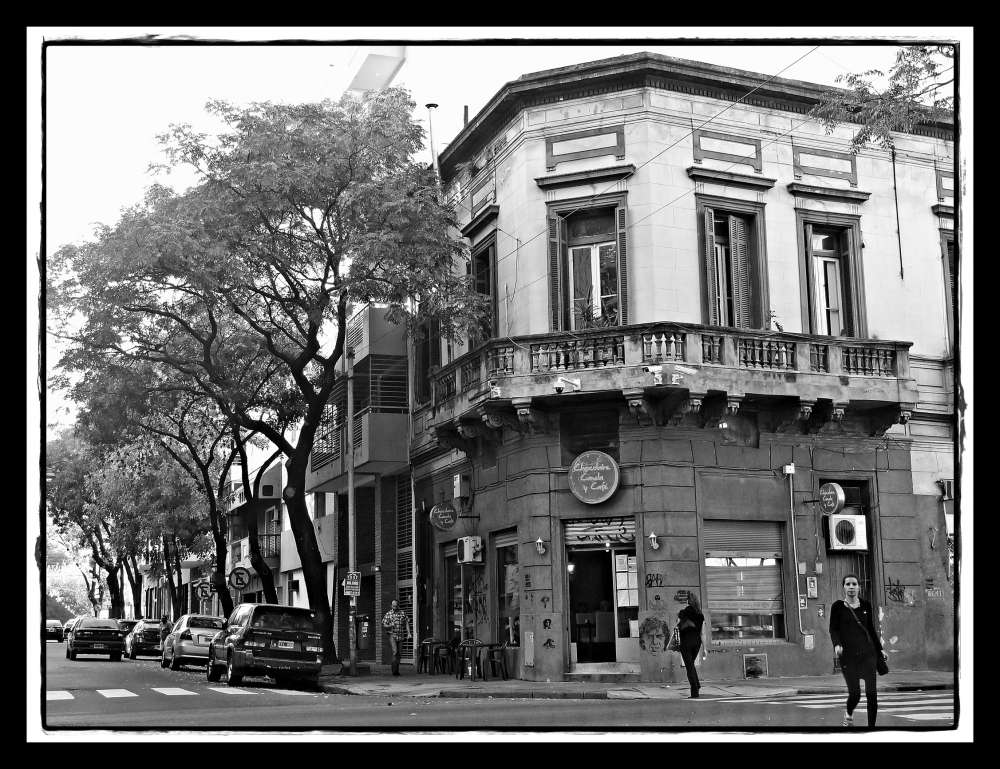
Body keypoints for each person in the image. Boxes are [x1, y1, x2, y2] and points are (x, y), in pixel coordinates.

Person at [830, 573, 888, 728]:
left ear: (859, 587)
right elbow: (833, 629)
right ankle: (849, 713)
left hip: (868, 653)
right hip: (848, 656)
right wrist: (837, 644)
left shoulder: (866, 605)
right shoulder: (837, 607)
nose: (851, 587)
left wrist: (880, 649)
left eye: (854, 584)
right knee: (855, 694)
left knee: (871, 693)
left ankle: (871, 728)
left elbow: (870, 628)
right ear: (843, 587)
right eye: (848, 584)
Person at [675, 591, 707, 698]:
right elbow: (703, 633)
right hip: (696, 643)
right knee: (691, 664)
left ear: (688, 601)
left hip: (686, 642)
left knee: (689, 667)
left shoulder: (683, 612)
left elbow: (677, 625)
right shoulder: (700, 615)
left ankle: (695, 692)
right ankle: (697, 685)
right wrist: (705, 648)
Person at [381, 599, 412, 677]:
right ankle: (394, 670)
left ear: (398, 605)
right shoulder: (388, 614)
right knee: (395, 652)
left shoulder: (402, 613)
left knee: (399, 654)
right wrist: (391, 625)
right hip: (392, 635)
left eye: (396, 606)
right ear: (391, 606)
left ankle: (396, 669)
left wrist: (409, 633)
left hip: (401, 636)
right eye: (393, 606)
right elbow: (384, 625)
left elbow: (406, 623)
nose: (394, 607)